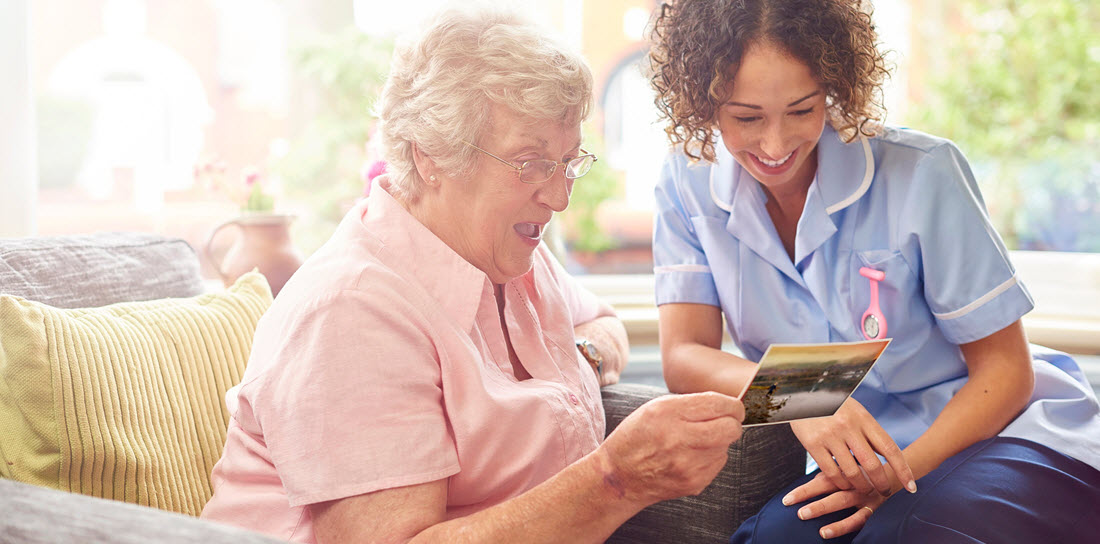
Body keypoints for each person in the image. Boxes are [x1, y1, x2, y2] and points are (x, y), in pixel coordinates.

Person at [200, 6, 745, 544]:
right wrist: (615, 480)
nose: (557, 197)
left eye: (568, 162)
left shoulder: (509, 253)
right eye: (530, 162)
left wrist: (582, 362)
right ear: (432, 155)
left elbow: (603, 324)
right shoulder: (352, 313)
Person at [647, 0, 1100, 542]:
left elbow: (1006, 373)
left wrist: (893, 475)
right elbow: (683, 357)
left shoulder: (923, 172)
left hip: (1008, 433)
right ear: (703, 101)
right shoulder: (685, 183)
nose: (775, 144)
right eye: (746, 117)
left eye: (802, 109)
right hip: (860, 454)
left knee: (919, 530)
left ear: (833, 85)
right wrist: (803, 399)